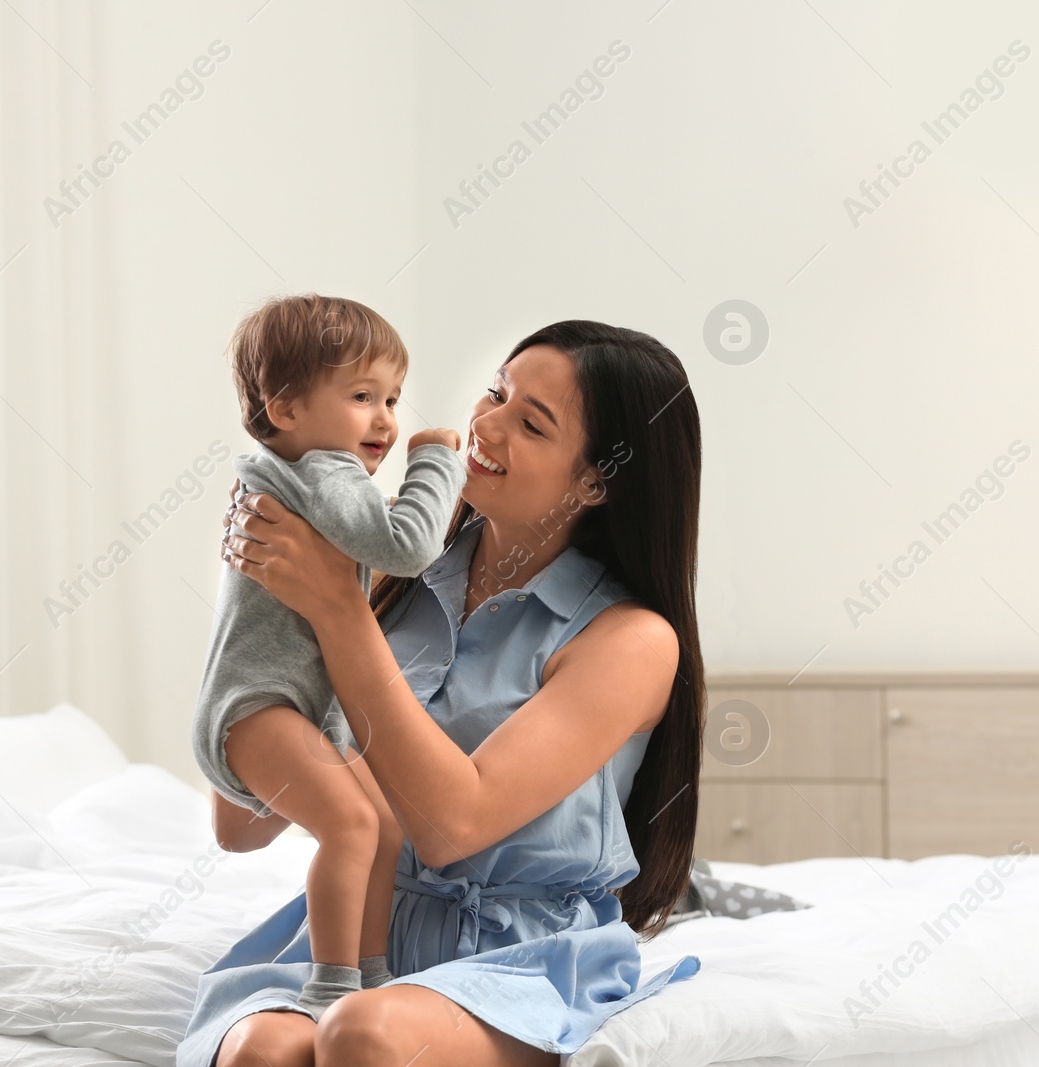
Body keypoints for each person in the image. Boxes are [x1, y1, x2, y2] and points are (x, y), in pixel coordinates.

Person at [185, 320, 706, 1067]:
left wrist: (335, 610)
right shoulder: (385, 575)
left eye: (530, 422)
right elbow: (240, 825)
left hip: (516, 958)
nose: (485, 423)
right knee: (261, 1049)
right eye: (496, 391)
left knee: (359, 1033)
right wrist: (260, 606)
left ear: (596, 480)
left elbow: (453, 825)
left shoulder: (630, 639)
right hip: (362, 935)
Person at [191, 293, 466, 1018]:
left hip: (270, 705)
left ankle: (369, 974)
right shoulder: (327, 471)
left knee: (382, 824)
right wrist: (436, 461)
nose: (385, 418)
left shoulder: (289, 470)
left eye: (393, 399)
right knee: (354, 825)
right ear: (285, 409)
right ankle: (336, 982)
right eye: (363, 396)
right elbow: (407, 545)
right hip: (259, 706)